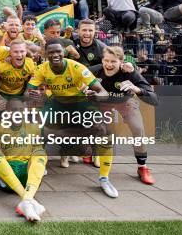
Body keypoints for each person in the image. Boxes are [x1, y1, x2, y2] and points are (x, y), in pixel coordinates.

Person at [26, 40, 117, 198]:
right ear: (45, 54)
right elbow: (28, 92)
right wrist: (32, 94)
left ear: (64, 52)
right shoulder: (41, 69)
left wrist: (96, 95)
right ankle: (37, 166)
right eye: (51, 52)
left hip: (79, 103)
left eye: (58, 52)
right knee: (37, 128)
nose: (55, 55)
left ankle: (104, 178)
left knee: (103, 130)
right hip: (57, 103)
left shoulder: (77, 67)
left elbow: (104, 93)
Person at [91, 46, 158, 184]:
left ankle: (142, 167)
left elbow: (154, 98)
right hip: (104, 104)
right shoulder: (95, 71)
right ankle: (92, 152)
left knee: (138, 128)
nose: (108, 65)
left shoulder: (129, 72)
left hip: (125, 102)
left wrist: (137, 89)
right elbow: (77, 82)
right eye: (106, 60)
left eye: (113, 62)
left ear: (121, 62)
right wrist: (85, 89)